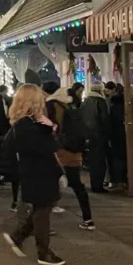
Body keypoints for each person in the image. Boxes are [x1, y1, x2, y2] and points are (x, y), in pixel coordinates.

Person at [3, 84, 66, 265]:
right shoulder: (26, 125)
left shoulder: (28, 122)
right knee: (43, 210)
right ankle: (43, 252)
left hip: (39, 171)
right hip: (38, 171)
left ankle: (18, 236)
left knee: (42, 208)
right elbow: (46, 147)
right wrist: (51, 129)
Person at [46, 85, 94, 230]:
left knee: (47, 183)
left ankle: (43, 225)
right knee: (77, 184)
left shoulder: (53, 106)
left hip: (60, 150)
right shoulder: (73, 108)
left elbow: (52, 128)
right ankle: (88, 218)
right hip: (75, 150)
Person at [80, 82, 110, 193]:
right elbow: (104, 120)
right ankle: (98, 186)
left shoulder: (85, 102)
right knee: (100, 161)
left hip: (88, 136)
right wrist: (107, 134)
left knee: (93, 161)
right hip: (99, 135)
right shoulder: (100, 101)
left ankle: (94, 184)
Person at [107, 83, 128, 191]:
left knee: (115, 159)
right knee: (125, 158)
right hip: (125, 136)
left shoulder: (112, 110)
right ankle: (125, 181)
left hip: (115, 137)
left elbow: (109, 124)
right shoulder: (127, 109)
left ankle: (116, 180)